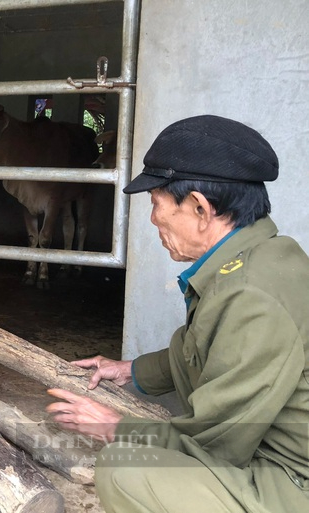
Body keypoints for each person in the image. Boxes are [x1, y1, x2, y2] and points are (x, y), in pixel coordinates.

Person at [46, 115, 309, 513]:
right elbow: (203, 347)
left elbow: (214, 442)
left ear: (201, 208)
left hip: (290, 480)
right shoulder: (263, 256)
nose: (153, 219)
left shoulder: (252, 297)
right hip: (274, 459)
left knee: (124, 468)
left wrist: (114, 427)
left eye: (156, 204)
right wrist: (130, 371)